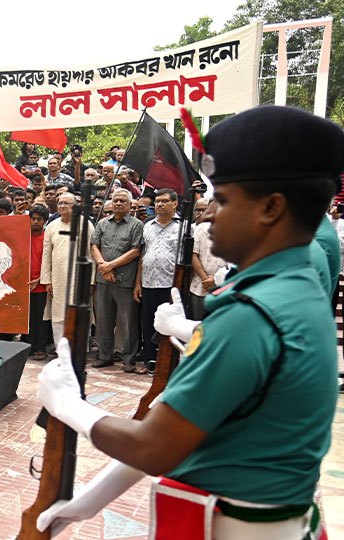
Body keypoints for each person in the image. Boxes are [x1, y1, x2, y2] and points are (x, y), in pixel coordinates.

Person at [35, 105, 344, 540]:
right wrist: (87, 504)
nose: (208, 214)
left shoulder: (251, 313)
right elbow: (184, 427)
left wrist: (69, 405)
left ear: (272, 208)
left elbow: (156, 446)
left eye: (224, 200)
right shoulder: (295, 289)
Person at [90, 188, 144, 372]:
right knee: (103, 320)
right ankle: (105, 355)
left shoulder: (137, 225)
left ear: (130, 205)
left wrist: (109, 266)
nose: (118, 203)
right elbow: (94, 246)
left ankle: (129, 359)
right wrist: (103, 266)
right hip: (103, 279)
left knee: (128, 322)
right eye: (116, 200)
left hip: (125, 281)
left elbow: (135, 251)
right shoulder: (102, 223)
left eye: (123, 201)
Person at [133, 188, 180, 373]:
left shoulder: (184, 226)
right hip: (148, 283)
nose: (159, 204)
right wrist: (138, 283)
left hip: (170, 284)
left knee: (169, 324)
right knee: (148, 324)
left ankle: (168, 361)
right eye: (157, 201)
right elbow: (142, 257)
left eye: (164, 201)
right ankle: (150, 361)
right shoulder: (147, 226)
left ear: (174, 203)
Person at [41, 192, 95, 343]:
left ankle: (79, 350)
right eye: (60, 203)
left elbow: (92, 253)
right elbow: (46, 255)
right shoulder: (51, 226)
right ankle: (61, 349)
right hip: (58, 279)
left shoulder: (86, 225)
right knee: (58, 314)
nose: (62, 206)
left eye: (66, 203)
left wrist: (91, 281)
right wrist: (47, 281)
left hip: (80, 278)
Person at [22, 204, 50, 359]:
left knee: (40, 318)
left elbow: (50, 262)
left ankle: (40, 348)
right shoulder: (21, 236)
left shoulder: (47, 238)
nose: (36, 222)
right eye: (33, 218)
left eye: (39, 219)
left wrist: (39, 280)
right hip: (23, 284)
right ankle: (27, 346)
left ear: (45, 221)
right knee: (25, 318)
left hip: (41, 285)